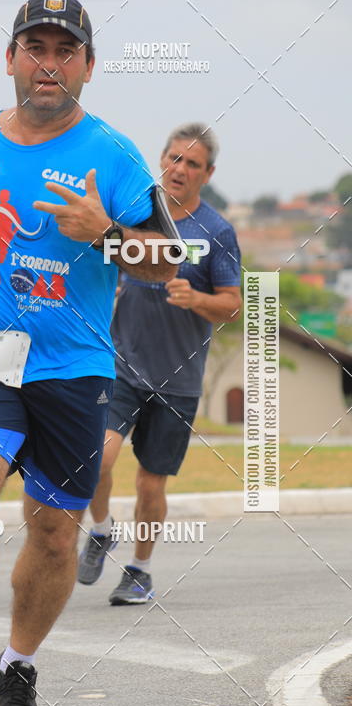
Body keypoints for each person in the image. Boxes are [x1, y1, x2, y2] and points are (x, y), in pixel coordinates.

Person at [0, 0, 179, 706]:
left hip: (74, 367)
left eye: (64, 51)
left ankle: (19, 664)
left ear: (87, 65)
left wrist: (106, 233)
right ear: (11, 58)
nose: (47, 64)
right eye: (35, 48)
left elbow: (166, 261)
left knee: (54, 531)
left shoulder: (112, 155)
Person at [78, 122, 242, 604]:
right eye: (173, 158)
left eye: (192, 163)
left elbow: (233, 304)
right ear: (161, 161)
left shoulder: (217, 231)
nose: (179, 169)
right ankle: (103, 529)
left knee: (151, 482)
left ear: (206, 174)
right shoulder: (133, 214)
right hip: (120, 365)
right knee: (96, 458)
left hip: (179, 379)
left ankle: (140, 570)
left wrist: (195, 298)